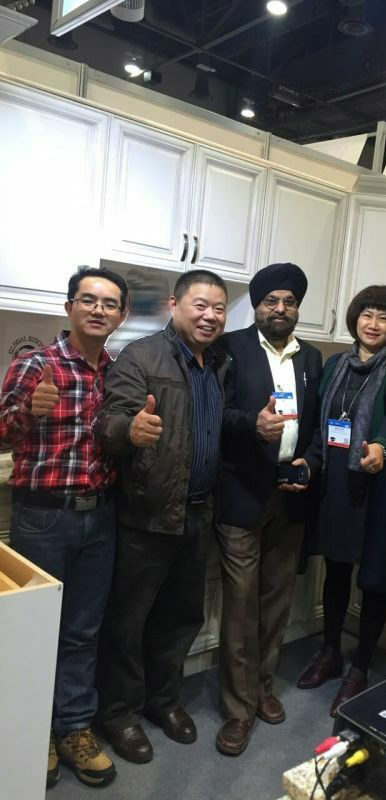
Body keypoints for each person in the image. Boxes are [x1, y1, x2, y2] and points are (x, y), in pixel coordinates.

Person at [0, 266, 128, 788]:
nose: (99, 309)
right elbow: (2, 431)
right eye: (89, 299)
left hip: (101, 514)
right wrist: (29, 411)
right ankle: (34, 734)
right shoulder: (37, 363)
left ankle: (73, 727)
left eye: (110, 303)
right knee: (35, 631)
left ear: (121, 316)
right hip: (43, 516)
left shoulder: (117, 371)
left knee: (82, 631)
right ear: (70, 306)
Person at [95, 269, 230, 764]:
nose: (210, 316)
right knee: (128, 622)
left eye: (219, 308)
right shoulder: (140, 356)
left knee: (180, 617)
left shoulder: (220, 364)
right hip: (146, 516)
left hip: (198, 513)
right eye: (200, 305)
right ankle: (119, 713)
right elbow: (107, 423)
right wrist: (129, 430)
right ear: (175, 305)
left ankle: (163, 700)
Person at [297, 285, 386, 716]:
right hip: (335, 481)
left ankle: (360, 667)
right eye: (367, 314)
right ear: (354, 319)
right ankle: (331, 652)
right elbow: (319, 419)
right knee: (335, 570)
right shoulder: (335, 364)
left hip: (379, 484)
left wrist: (382, 446)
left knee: (373, 578)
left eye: (383, 317)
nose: (373, 324)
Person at [215, 262, 322, 756]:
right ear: (257, 306)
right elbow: (215, 412)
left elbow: (318, 423)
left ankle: (262, 687)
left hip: (291, 495)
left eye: (289, 302)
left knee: (277, 600)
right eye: (271, 301)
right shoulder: (230, 347)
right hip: (242, 492)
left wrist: (310, 461)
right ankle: (238, 709)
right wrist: (251, 426)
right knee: (241, 603)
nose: (280, 309)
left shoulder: (312, 357)